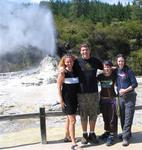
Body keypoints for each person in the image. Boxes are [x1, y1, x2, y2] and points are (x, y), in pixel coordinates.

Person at [73, 43, 103, 144]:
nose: (84, 52)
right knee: (83, 115)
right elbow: (66, 66)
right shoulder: (76, 62)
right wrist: (61, 69)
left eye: (86, 50)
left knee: (93, 114)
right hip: (81, 93)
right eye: (83, 50)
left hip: (94, 92)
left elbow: (106, 68)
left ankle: (92, 133)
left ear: (89, 50)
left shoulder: (95, 61)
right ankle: (85, 134)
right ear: (80, 51)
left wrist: (117, 69)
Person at [57, 54, 82, 150]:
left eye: (71, 61)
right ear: (64, 63)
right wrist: (61, 100)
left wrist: (70, 56)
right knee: (73, 120)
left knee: (68, 119)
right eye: (67, 62)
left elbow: (76, 57)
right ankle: (74, 143)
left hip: (75, 98)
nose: (69, 63)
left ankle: (67, 136)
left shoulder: (75, 71)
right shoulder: (63, 73)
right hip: (67, 99)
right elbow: (58, 86)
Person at [116, 54, 138, 146]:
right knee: (122, 116)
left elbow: (135, 84)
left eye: (122, 61)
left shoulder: (129, 71)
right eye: (119, 61)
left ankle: (125, 138)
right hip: (120, 97)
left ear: (124, 62)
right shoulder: (116, 71)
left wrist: (125, 90)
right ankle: (126, 133)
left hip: (130, 97)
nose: (121, 62)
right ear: (117, 62)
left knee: (128, 117)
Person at [97, 60, 118, 146]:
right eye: (105, 67)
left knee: (112, 117)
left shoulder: (114, 75)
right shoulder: (100, 76)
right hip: (103, 99)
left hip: (112, 99)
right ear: (103, 68)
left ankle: (112, 135)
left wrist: (113, 68)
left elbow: (119, 68)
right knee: (105, 117)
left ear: (110, 67)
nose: (106, 68)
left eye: (108, 66)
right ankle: (107, 132)